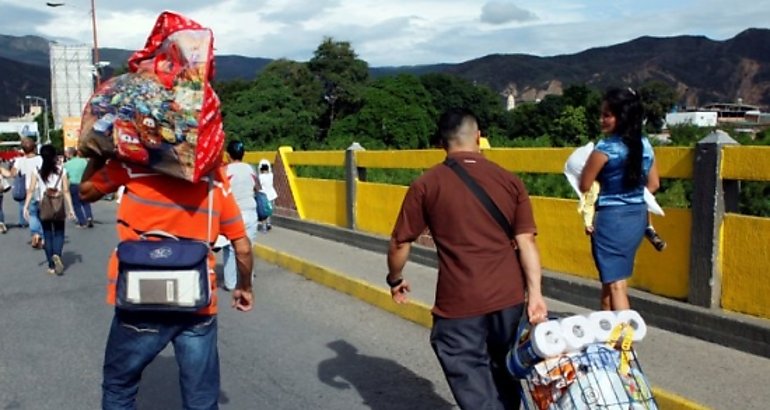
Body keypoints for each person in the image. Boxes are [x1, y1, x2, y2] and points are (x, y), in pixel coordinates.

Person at [387, 108, 548, 410]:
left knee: (468, 369)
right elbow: (526, 241)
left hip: (459, 302)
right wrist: (535, 295)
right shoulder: (509, 180)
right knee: (504, 367)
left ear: (440, 143)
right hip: (509, 298)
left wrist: (395, 279)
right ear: (478, 136)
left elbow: (400, 242)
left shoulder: (426, 184)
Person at [79, 156, 255, 409]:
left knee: (119, 387)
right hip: (197, 303)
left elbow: (85, 193)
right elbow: (242, 246)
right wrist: (244, 287)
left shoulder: (131, 166)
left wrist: (97, 154)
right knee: (201, 399)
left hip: (138, 299)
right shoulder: (214, 179)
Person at [579, 87, 661, 311]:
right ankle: (605, 334)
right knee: (611, 279)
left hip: (611, 220)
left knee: (616, 285)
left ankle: (625, 340)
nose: (601, 120)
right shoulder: (645, 145)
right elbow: (654, 184)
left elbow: (584, 184)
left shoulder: (605, 148)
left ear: (621, 117)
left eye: (607, 115)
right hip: (637, 219)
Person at [24, 145, 76, 275]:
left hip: (44, 206)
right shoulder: (62, 170)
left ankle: (51, 266)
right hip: (58, 205)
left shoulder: (37, 171)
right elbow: (66, 190)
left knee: (47, 234)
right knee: (59, 233)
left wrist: (25, 206)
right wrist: (71, 208)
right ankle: (57, 254)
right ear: (55, 156)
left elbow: (31, 190)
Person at [222, 140, 259, 291]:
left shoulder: (225, 171)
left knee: (230, 249)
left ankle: (230, 283)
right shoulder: (250, 169)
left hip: (233, 213)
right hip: (251, 211)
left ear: (228, 154)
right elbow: (257, 188)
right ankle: (247, 280)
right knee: (248, 247)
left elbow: (221, 191)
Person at [1, 138, 43, 246]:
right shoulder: (41, 159)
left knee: (32, 214)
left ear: (23, 150)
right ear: (34, 148)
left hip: (28, 190)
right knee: (42, 214)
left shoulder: (19, 161)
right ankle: (41, 234)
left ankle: (35, 233)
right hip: (42, 190)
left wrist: (1, 169)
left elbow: (12, 174)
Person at [63, 147, 94, 228]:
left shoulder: (66, 165)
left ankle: (82, 222)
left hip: (74, 185)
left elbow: (66, 177)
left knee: (76, 204)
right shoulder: (84, 161)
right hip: (84, 183)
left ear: (69, 154)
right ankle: (89, 217)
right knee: (86, 202)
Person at [257, 158, 277, 232]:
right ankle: (269, 223)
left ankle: (264, 227)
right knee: (269, 211)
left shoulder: (260, 177)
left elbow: (258, 185)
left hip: (264, 197)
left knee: (263, 212)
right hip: (272, 195)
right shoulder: (271, 175)